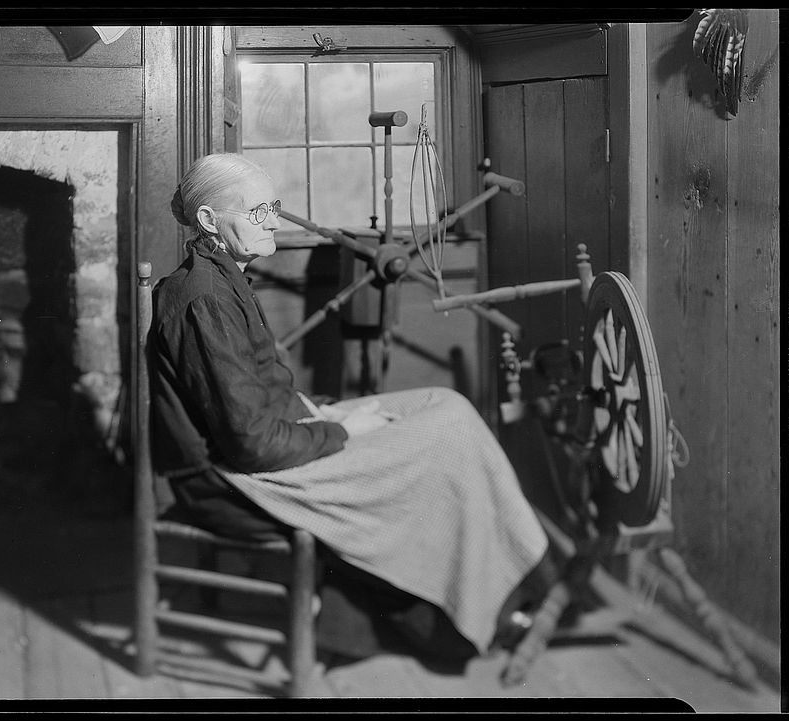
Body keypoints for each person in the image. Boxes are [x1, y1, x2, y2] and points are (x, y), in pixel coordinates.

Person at [149, 153, 558, 662]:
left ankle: (512, 585)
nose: (273, 220)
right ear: (209, 220)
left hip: (269, 436)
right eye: (258, 212)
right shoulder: (202, 299)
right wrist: (341, 432)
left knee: (443, 403)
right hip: (228, 478)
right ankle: (489, 607)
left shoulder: (222, 277)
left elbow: (257, 397)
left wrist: (329, 414)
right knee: (446, 435)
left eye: (272, 206)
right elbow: (250, 442)